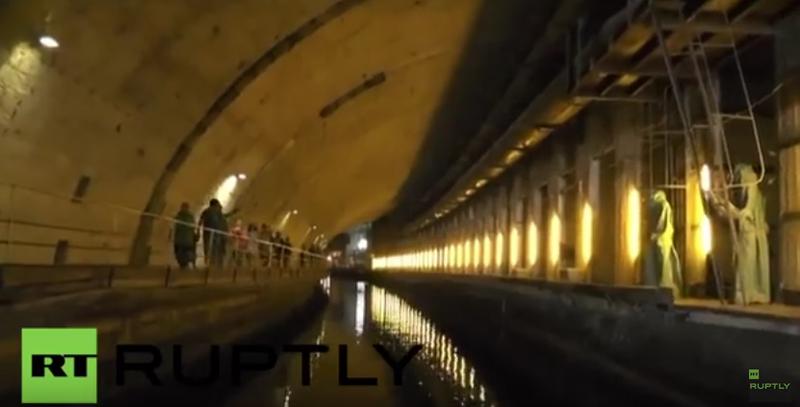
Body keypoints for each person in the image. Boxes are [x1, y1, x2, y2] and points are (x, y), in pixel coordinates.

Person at [713, 164, 770, 305]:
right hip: (746, 233)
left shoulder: (751, 186)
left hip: (749, 233)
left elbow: (745, 212)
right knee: (743, 263)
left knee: (746, 265)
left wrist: (726, 206)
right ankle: (746, 293)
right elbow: (738, 213)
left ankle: (747, 294)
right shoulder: (747, 189)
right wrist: (722, 204)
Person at [645, 190, 682, 297]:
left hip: (659, 238)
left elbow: (660, 222)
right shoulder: (663, 204)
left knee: (659, 265)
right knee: (664, 265)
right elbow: (661, 222)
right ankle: (665, 288)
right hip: (663, 239)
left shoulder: (656, 205)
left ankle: (659, 289)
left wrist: (654, 234)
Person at [198, 199, 228, 268]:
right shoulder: (217, 212)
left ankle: (208, 263)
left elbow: (200, 221)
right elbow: (223, 220)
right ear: (216, 204)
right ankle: (213, 265)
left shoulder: (206, 211)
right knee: (215, 250)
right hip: (217, 234)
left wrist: (198, 231)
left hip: (207, 233)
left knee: (208, 248)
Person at [172, 202, 196, 270]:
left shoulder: (179, 216)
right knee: (181, 253)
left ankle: (184, 265)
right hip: (184, 239)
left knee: (181, 253)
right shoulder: (188, 216)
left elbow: (177, 226)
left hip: (183, 239)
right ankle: (184, 265)